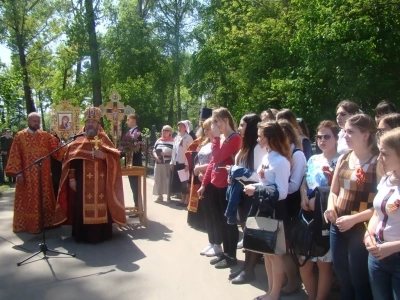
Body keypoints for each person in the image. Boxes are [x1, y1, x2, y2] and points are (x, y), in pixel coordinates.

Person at [324, 114, 379, 300]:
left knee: (359, 278)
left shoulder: (378, 162)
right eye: (344, 131)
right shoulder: (344, 158)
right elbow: (333, 192)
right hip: (338, 225)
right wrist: (330, 207)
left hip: (361, 228)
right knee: (342, 276)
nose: (345, 135)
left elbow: (380, 205)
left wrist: (353, 219)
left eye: (350, 132)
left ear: (365, 135)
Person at [53, 107, 126, 243]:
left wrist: (104, 156)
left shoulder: (104, 140)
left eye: (93, 122)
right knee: (82, 206)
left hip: (102, 184)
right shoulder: (78, 141)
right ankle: (83, 235)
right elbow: (71, 162)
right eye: (88, 122)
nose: (90, 124)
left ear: (98, 124)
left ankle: (102, 234)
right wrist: (72, 179)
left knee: (101, 206)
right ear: (85, 124)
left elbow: (115, 158)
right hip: (82, 183)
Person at [243, 121, 291, 300]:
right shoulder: (267, 157)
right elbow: (265, 183)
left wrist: (255, 190)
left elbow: (282, 192)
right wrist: (254, 186)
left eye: (260, 136)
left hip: (274, 211)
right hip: (261, 208)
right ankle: (270, 291)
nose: (257, 139)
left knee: (275, 255)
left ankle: (275, 293)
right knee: (267, 253)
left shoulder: (281, 161)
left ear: (269, 137)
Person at [299, 120, 340, 300]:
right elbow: (304, 182)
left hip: (326, 217)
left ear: (336, 138)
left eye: (327, 136)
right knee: (304, 261)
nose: (322, 140)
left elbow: (340, 191)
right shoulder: (313, 159)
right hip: (307, 215)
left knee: (324, 264)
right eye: (319, 136)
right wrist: (303, 198)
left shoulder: (342, 161)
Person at [197, 107, 242, 268]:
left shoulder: (235, 138)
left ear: (226, 120)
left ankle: (231, 256)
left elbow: (217, 156)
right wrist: (204, 184)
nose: (215, 125)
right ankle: (225, 253)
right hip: (216, 184)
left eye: (217, 121)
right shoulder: (222, 138)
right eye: (213, 121)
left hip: (226, 185)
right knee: (221, 221)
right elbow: (212, 163)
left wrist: (216, 137)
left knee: (229, 222)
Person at [5, 112, 64, 233]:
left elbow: (58, 150)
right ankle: (29, 225)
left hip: (44, 175)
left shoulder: (46, 136)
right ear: (28, 121)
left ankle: (47, 223)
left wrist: (70, 146)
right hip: (27, 176)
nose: (36, 123)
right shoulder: (20, 136)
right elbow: (15, 156)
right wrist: (19, 174)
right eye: (34, 121)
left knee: (45, 198)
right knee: (30, 199)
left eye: (38, 121)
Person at [228, 113, 267, 284]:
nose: (239, 128)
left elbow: (261, 176)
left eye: (243, 125)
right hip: (242, 194)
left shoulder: (259, 149)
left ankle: (249, 270)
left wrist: (241, 173)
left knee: (252, 234)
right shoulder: (246, 146)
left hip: (253, 195)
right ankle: (246, 267)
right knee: (246, 232)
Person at [365, 127, 400, 300]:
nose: (379, 158)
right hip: (377, 255)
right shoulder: (387, 179)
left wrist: (392, 247)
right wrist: (368, 235)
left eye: (385, 154)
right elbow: (378, 214)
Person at [170, 120, 193, 206]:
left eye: (181, 126)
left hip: (184, 163)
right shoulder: (177, 137)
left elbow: (190, 152)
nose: (179, 128)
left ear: (185, 128)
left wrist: (187, 164)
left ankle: (186, 199)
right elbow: (174, 151)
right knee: (180, 182)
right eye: (179, 126)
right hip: (177, 162)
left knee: (185, 182)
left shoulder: (189, 138)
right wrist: (172, 162)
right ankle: (182, 199)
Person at [126, 113, 143, 215]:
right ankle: (137, 207)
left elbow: (136, 149)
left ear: (133, 120)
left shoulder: (137, 132)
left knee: (136, 187)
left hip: (135, 162)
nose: (127, 121)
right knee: (133, 186)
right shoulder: (130, 132)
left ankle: (138, 208)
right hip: (129, 162)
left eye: (128, 119)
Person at [153, 125, 174, 202]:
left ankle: (168, 196)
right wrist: (156, 157)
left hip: (168, 163)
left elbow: (175, 153)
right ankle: (160, 196)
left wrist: (167, 154)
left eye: (167, 130)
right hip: (158, 162)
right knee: (158, 179)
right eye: (164, 130)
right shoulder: (158, 140)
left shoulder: (173, 141)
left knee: (168, 179)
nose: (165, 132)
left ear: (170, 132)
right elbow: (154, 150)